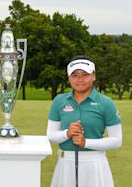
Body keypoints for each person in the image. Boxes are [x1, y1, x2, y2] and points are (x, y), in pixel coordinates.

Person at [47, 55, 122, 187]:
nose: (80, 79)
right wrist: (67, 133)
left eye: (85, 74)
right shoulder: (59, 101)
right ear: (68, 78)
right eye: (75, 75)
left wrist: (85, 142)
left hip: (95, 162)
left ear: (94, 76)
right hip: (66, 162)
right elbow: (51, 135)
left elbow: (116, 140)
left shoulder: (106, 103)